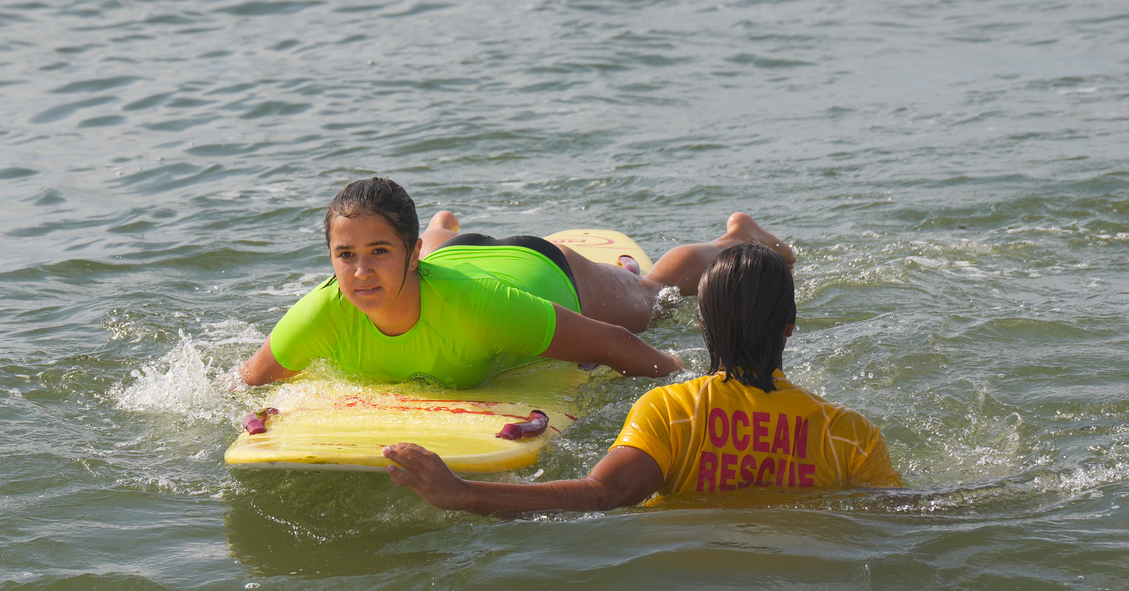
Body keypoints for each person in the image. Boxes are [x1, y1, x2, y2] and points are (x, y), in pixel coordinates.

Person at [382, 242, 902, 513]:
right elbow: (903, 516)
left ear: (701, 322)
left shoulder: (673, 413)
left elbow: (597, 496)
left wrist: (461, 491)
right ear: (789, 329)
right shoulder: (848, 434)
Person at [238, 177, 795, 389]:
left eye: (377, 251)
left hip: (536, 271)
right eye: (345, 255)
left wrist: (690, 382)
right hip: (445, 260)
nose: (359, 272)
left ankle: (734, 237)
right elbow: (248, 383)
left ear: (405, 254)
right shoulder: (321, 312)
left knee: (654, 298)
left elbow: (614, 346)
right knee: (413, 267)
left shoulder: (481, 311)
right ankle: (438, 231)